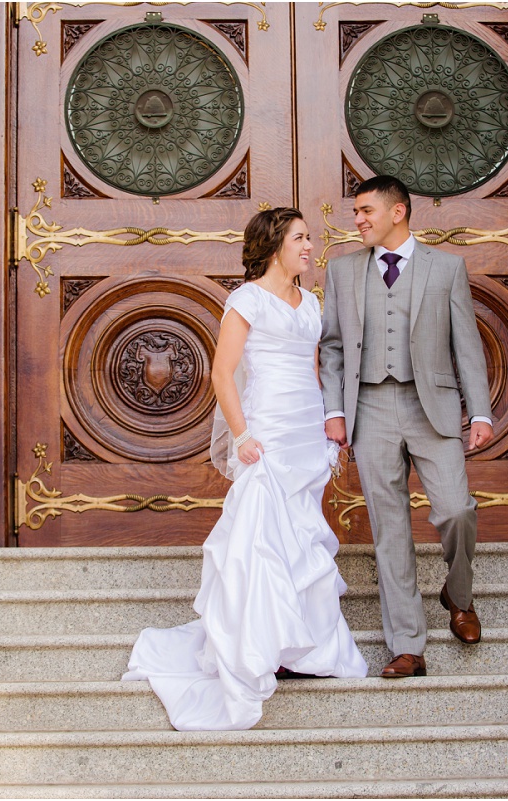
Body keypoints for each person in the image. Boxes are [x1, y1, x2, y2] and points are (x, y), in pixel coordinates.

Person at [123, 207, 367, 731]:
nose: (309, 246)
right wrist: (242, 434)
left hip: (305, 434)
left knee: (302, 539)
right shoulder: (247, 299)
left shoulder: (311, 303)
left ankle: (301, 648)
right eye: (300, 238)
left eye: (309, 238)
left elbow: (317, 370)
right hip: (267, 432)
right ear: (276, 243)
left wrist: (330, 425)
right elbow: (222, 373)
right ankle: (257, 646)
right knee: (258, 539)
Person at [319, 175, 493, 679]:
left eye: (367, 211)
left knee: (456, 510)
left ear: (398, 212)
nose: (358, 220)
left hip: (432, 406)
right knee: (389, 529)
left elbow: (467, 345)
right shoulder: (343, 271)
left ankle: (458, 596)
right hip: (368, 407)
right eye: (356, 212)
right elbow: (331, 347)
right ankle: (408, 646)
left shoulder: (447, 268)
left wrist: (478, 412)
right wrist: (334, 411)